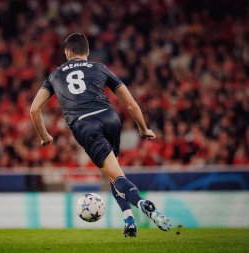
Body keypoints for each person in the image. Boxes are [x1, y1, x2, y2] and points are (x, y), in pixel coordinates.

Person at [30, 33, 171, 237]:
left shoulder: (54, 75)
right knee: (114, 173)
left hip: (85, 124)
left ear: (67, 52)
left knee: (116, 175)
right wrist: (143, 128)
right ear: (87, 52)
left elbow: (34, 110)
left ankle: (143, 204)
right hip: (110, 118)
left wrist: (44, 136)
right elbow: (131, 104)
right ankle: (129, 221)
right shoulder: (100, 68)